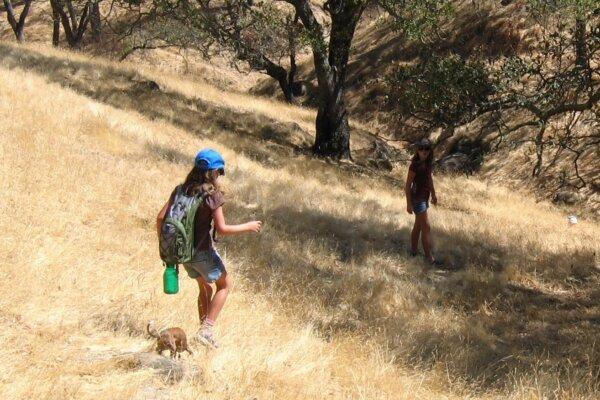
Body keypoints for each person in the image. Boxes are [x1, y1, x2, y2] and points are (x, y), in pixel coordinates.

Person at [156, 149, 262, 348]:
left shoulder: (180, 190)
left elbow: (160, 218)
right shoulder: (212, 195)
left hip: (183, 254)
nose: (219, 176)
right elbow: (222, 229)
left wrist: (166, 244)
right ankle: (207, 330)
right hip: (203, 251)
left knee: (204, 288)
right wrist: (248, 226)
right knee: (225, 285)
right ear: (213, 172)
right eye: (219, 172)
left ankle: (202, 331)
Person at [404, 138, 441, 267]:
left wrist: (434, 194)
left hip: (424, 198)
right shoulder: (414, 165)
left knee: (418, 226)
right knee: (426, 226)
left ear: (430, 151)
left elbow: (429, 179)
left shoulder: (428, 164)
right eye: (421, 149)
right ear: (417, 150)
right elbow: (407, 185)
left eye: (427, 149)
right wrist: (408, 203)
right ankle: (429, 257)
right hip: (417, 198)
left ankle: (413, 251)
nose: (424, 151)